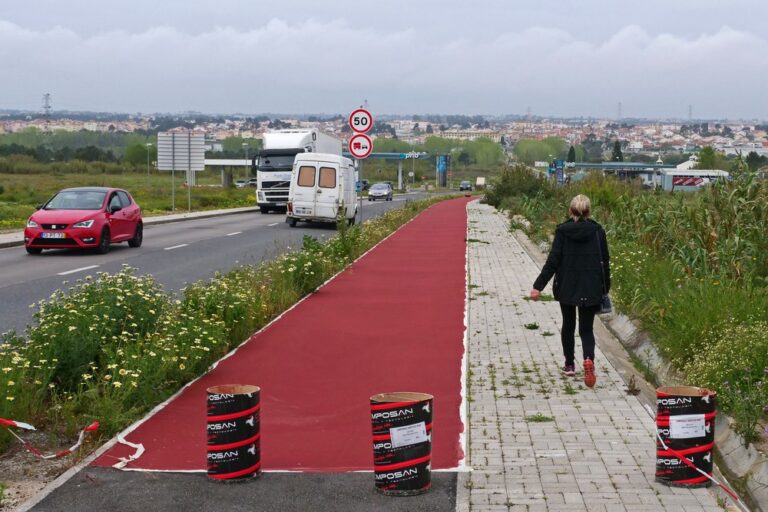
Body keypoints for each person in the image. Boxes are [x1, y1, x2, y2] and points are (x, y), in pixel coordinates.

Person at [529, 194, 610, 388]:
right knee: (586, 329)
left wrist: (538, 286)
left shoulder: (562, 231)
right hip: (591, 286)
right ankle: (588, 359)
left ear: (570, 211)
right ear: (589, 211)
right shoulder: (598, 231)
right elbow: (604, 262)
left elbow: (553, 261)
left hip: (567, 285)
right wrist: (605, 287)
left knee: (568, 324)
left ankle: (569, 365)